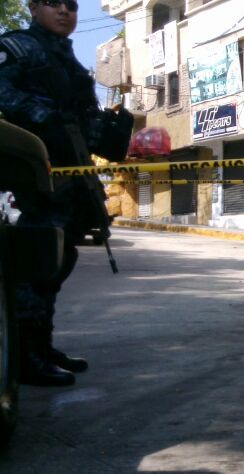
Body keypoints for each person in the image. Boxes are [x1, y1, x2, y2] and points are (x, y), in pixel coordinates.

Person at [0, 0, 131, 386]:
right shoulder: (18, 46)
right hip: (34, 172)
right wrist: (46, 117)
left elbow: (84, 118)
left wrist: (108, 131)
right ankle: (24, 355)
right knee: (37, 264)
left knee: (60, 260)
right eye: (53, 4)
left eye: (72, 6)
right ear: (33, 7)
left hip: (72, 172)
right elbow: (4, 95)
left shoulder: (67, 59)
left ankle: (41, 346)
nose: (65, 12)